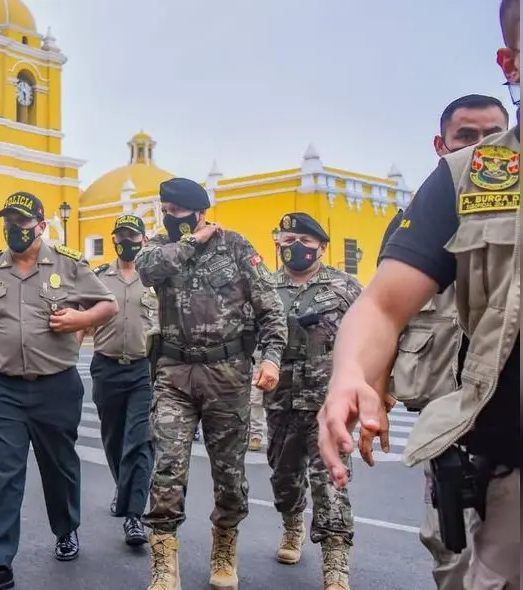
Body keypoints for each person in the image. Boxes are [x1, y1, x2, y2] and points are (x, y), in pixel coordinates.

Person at [319, 2, 521, 589]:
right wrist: (353, 375)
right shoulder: (472, 177)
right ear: (510, 60)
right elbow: (383, 305)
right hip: (511, 474)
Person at [0, 191, 118, 590]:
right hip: (3, 389)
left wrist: (80, 317)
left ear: (42, 227)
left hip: (56, 387)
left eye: (23, 224)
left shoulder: (69, 264)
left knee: (59, 467)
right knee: (3, 475)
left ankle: (65, 528)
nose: (14, 230)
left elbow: (108, 304)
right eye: (9, 223)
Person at [381, 94, 508, 590]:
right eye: (467, 137)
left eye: (494, 135)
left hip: (514, 407)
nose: (482, 148)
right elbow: (386, 313)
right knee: (449, 542)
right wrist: (374, 387)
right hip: (448, 418)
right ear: (441, 146)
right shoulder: (417, 223)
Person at [135, 177, 288, 590]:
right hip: (173, 374)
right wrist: (190, 241)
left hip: (227, 376)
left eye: (178, 213)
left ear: (200, 211)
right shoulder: (158, 248)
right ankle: (164, 561)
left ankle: (224, 544)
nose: (169, 218)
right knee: (167, 466)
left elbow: (272, 310)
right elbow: (147, 271)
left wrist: (270, 359)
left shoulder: (237, 248)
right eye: (165, 211)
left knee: (229, 472)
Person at [264, 213, 362, 590]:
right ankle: (292, 526)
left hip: (329, 403)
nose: (294, 248)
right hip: (280, 401)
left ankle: (336, 564)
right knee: (284, 477)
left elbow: (373, 335)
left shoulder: (345, 286)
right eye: (287, 240)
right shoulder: (267, 287)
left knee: (332, 482)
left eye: (303, 241)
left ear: (321, 246)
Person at [83, 214, 157, 546]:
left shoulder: (155, 278)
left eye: (133, 235)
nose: (127, 241)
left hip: (143, 370)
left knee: (139, 442)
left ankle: (134, 515)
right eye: (121, 235)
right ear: (114, 239)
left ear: (143, 239)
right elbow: (82, 320)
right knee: (114, 441)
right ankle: (122, 488)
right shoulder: (98, 279)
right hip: (106, 367)